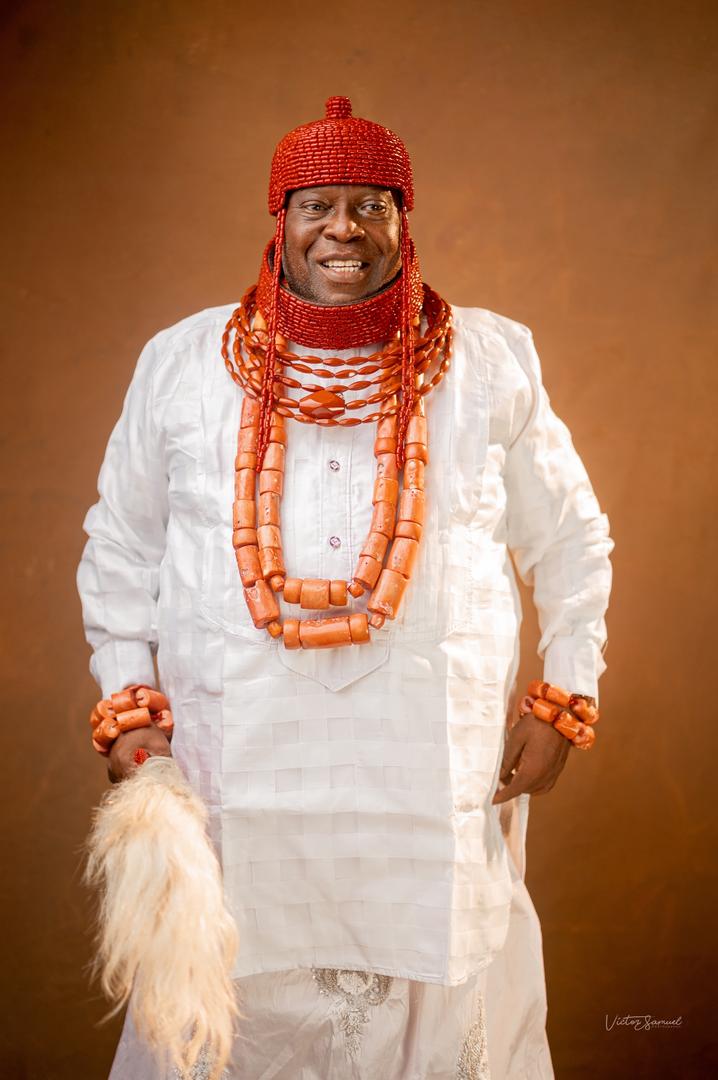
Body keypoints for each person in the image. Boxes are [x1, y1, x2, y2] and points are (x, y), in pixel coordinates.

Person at [77, 96, 614, 1079]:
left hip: (431, 778)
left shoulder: (488, 360)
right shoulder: (184, 363)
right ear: (279, 219)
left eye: (371, 205)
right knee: (225, 1005)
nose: (343, 229)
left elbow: (571, 536)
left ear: (403, 218)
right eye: (317, 205)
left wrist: (565, 693)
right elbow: (120, 546)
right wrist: (126, 698)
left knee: (447, 1006)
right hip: (233, 773)